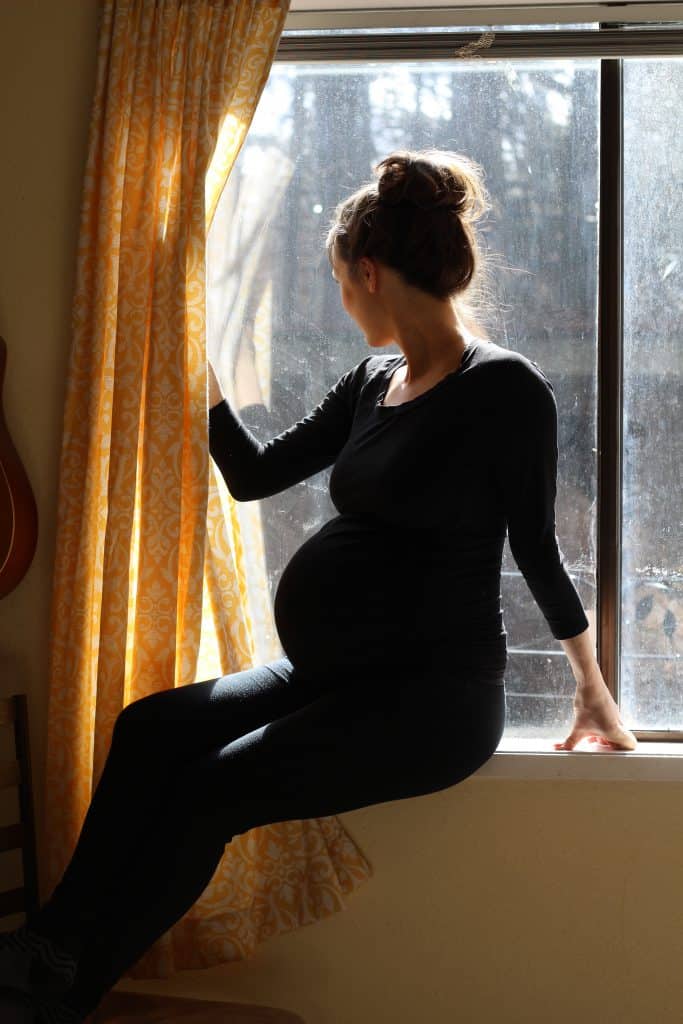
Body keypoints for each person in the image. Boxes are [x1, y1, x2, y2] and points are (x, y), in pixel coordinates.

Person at [0, 149, 637, 1023]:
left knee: (204, 794)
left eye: (340, 280)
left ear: (367, 273)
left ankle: (65, 990)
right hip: (332, 678)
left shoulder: (504, 389)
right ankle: (49, 947)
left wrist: (592, 692)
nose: (340, 298)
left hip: (430, 702)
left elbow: (535, 548)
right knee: (149, 730)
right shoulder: (374, 381)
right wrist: (202, 380)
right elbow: (256, 476)